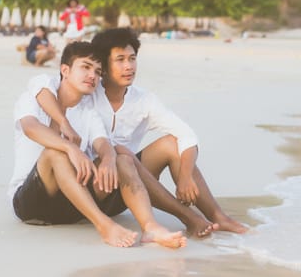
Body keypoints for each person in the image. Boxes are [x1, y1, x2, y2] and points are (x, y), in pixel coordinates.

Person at [31, 28, 248, 235]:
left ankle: (217, 215)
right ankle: (188, 217)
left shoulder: (144, 100)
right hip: (89, 183)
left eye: (132, 58)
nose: (129, 66)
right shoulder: (87, 90)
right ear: (103, 65)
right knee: (122, 154)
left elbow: (187, 135)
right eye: (120, 60)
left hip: (127, 185)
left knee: (171, 145)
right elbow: (46, 88)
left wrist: (184, 176)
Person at [9, 41, 187, 248]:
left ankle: (151, 227)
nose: (92, 75)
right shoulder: (33, 98)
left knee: (122, 160)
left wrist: (110, 158)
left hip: (73, 206)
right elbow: (30, 127)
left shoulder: (88, 112)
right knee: (55, 153)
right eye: (85, 67)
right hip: (32, 204)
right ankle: (105, 226)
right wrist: (70, 147)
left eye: (98, 71)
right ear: (65, 70)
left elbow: (102, 142)